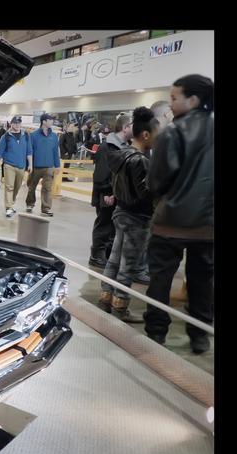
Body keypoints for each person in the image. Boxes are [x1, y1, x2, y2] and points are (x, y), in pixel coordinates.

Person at [143, 74, 214, 354]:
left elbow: (156, 181)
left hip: (170, 223)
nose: (170, 104)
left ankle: (156, 332)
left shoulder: (172, 132)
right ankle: (199, 335)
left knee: (160, 279)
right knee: (202, 281)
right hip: (208, 226)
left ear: (193, 100)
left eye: (174, 97)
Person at [98, 107, 159, 322]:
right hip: (137, 218)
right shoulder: (140, 160)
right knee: (128, 265)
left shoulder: (122, 154)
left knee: (114, 260)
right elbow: (145, 194)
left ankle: (105, 297)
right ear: (146, 135)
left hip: (121, 212)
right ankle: (120, 306)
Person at [89, 113, 132, 269]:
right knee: (104, 224)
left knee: (112, 227)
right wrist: (108, 193)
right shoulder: (107, 146)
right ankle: (96, 255)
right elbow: (100, 175)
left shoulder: (125, 146)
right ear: (125, 127)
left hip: (116, 194)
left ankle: (106, 254)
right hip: (105, 194)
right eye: (132, 125)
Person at [0, 115, 31, 218]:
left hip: (21, 166)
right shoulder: (6, 137)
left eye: (19, 123)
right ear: (11, 124)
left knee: (17, 187)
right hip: (9, 165)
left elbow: (29, 151)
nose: (17, 125)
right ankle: (8, 208)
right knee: (9, 187)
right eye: (15, 123)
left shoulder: (26, 135)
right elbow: (0, 153)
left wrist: (30, 164)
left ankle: (11, 203)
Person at [26, 114, 61, 216]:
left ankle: (46, 208)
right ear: (44, 121)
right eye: (50, 120)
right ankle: (30, 204)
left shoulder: (54, 136)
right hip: (35, 166)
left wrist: (57, 165)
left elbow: (55, 151)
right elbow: (30, 151)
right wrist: (29, 165)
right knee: (31, 187)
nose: (52, 122)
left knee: (47, 188)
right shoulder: (33, 135)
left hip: (49, 167)